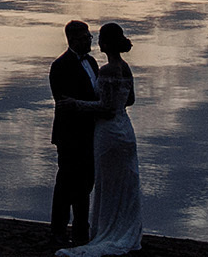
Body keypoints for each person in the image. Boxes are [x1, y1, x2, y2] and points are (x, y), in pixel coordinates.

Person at [58, 23, 141, 256]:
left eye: (98, 37)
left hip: (108, 133)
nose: (95, 41)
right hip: (125, 130)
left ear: (105, 43)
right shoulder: (126, 68)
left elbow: (105, 108)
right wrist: (116, 102)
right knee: (124, 183)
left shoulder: (105, 70)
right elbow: (130, 100)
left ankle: (108, 230)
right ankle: (125, 228)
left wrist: (76, 104)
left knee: (108, 183)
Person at [49, 20, 103, 246]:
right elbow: (64, 102)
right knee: (66, 183)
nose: (89, 41)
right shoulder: (60, 66)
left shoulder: (91, 62)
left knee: (86, 183)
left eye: (89, 37)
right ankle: (59, 229)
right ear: (72, 40)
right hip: (70, 134)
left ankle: (81, 228)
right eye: (85, 38)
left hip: (90, 132)